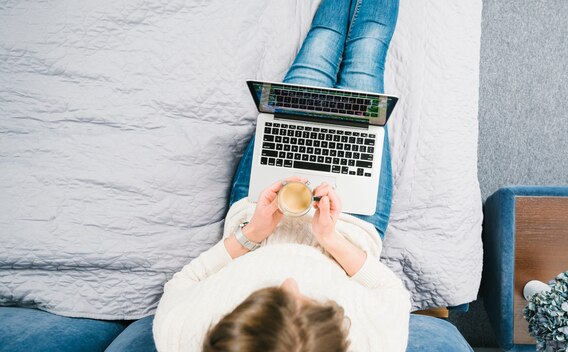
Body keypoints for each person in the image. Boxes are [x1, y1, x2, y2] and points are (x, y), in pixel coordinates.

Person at [153, 0, 409, 351]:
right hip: (349, 220)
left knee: (316, 53)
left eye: (266, 293)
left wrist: (251, 236)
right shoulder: (373, 343)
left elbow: (185, 282)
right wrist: (331, 239)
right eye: (306, 299)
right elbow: (391, 293)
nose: (289, 278)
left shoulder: (180, 335)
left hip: (262, 207)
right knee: (366, 59)